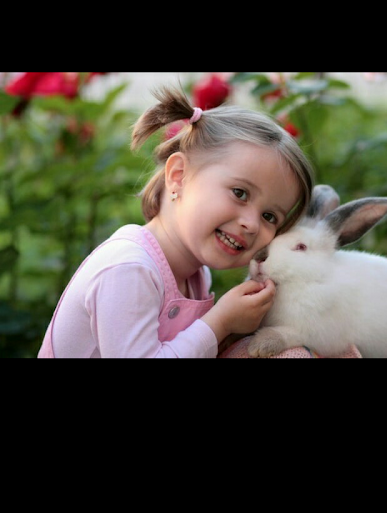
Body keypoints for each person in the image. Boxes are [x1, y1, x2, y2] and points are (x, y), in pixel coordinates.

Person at [38, 84, 314, 358]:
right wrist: (220, 322)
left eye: (269, 216)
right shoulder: (129, 268)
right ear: (179, 176)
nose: (252, 224)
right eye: (240, 193)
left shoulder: (196, 275)